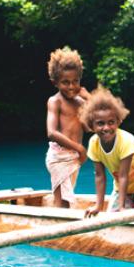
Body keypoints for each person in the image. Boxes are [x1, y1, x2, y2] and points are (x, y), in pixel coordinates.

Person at [81, 88, 134, 217]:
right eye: (100, 124)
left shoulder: (125, 140)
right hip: (123, 187)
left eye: (111, 122)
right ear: (91, 126)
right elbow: (99, 176)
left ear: (118, 122)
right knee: (112, 216)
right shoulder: (93, 144)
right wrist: (98, 205)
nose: (106, 128)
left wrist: (122, 207)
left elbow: (124, 175)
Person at [45, 47, 89, 208]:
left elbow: (90, 127)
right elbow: (51, 132)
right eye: (65, 82)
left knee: (67, 200)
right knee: (62, 201)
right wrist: (80, 148)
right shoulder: (55, 101)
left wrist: (89, 100)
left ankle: (63, 227)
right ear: (55, 82)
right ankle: (58, 230)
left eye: (75, 81)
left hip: (74, 158)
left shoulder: (80, 102)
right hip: (59, 157)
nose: (71, 86)